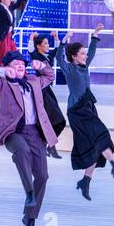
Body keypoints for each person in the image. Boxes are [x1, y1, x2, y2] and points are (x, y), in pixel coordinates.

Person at [0, 51, 57, 226]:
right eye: (16, 63)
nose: (21, 65)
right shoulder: (2, 85)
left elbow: (50, 75)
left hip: (35, 133)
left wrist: (42, 66)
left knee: (43, 176)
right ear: (9, 67)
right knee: (21, 150)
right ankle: (28, 191)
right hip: (13, 133)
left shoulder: (34, 82)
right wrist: (1, 71)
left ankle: (30, 218)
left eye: (22, 63)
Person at [56, 24, 114, 201]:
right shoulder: (70, 68)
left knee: (94, 146)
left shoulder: (83, 66)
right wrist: (64, 41)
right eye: (82, 54)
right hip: (77, 112)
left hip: (88, 107)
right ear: (74, 57)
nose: (85, 56)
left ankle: (85, 181)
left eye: (84, 54)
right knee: (101, 135)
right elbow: (58, 57)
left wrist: (95, 36)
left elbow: (92, 53)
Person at [27, 31, 66, 159]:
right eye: (45, 43)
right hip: (41, 91)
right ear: (39, 46)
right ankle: (48, 147)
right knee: (50, 121)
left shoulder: (46, 57)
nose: (47, 45)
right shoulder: (36, 56)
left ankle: (49, 146)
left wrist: (56, 38)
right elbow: (31, 51)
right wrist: (31, 39)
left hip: (47, 91)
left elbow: (57, 50)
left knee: (59, 121)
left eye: (48, 43)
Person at [0, 0, 34, 66]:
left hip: (9, 36)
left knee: (16, 54)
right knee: (2, 58)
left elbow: (18, 3)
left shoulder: (10, 7)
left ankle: (15, 75)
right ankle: (1, 76)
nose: (10, 0)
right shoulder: (0, 9)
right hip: (2, 37)